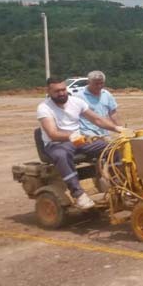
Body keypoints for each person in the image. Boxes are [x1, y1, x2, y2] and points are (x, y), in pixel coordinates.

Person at [37, 76, 127, 209]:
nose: (61, 93)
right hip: (56, 144)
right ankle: (78, 195)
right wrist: (73, 135)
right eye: (57, 91)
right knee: (62, 156)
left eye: (63, 89)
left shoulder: (76, 102)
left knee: (113, 148)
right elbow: (53, 134)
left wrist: (117, 128)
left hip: (78, 141)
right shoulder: (44, 108)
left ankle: (118, 185)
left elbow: (96, 119)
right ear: (49, 91)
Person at [75, 70, 121, 137]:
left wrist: (121, 129)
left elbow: (113, 113)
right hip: (86, 135)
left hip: (104, 133)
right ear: (88, 82)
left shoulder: (106, 94)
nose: (99, 86)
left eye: (101, 83)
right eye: (96, 84)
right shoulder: (79, 96)